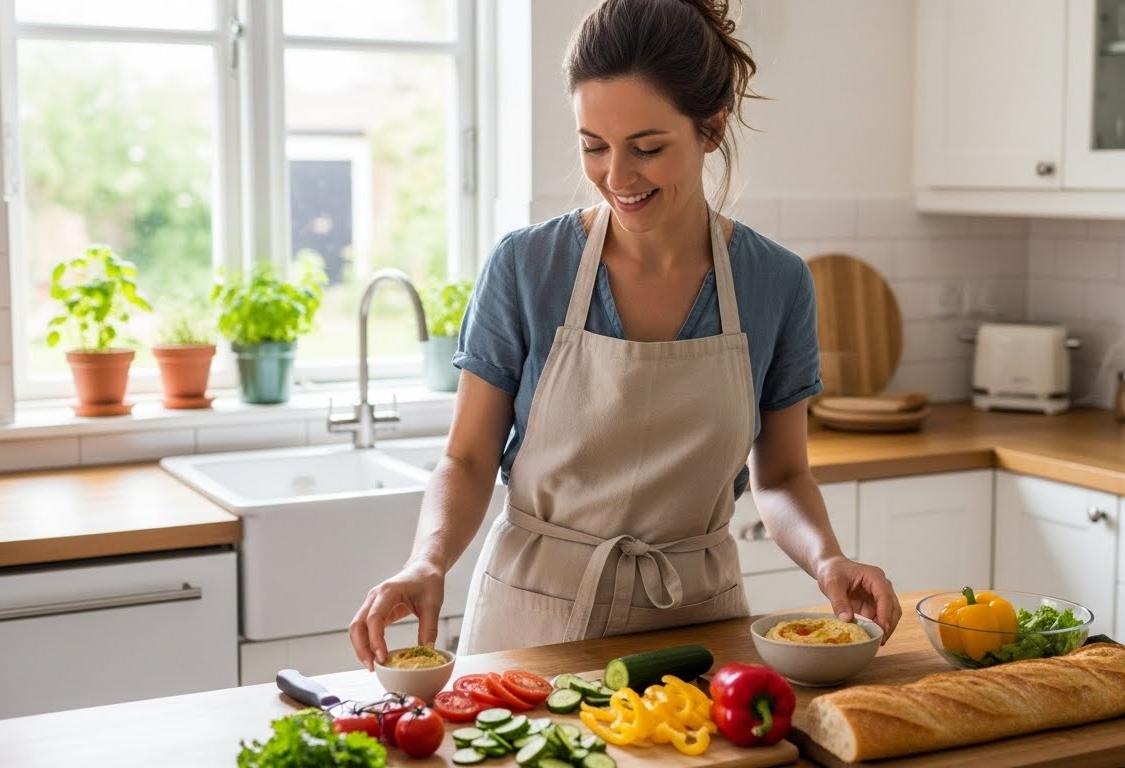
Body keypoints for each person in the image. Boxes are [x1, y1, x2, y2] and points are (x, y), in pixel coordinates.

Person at [350, 0, 901, 665]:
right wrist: (426, 561)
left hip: (696, 625)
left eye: (647, 148)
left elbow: (782, 474)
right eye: (593, 146)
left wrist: (826, 558)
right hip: (534, 622)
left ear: (711, 127)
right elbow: (467, 458)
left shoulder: (776, 282)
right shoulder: (527, 267)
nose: (616, 177)